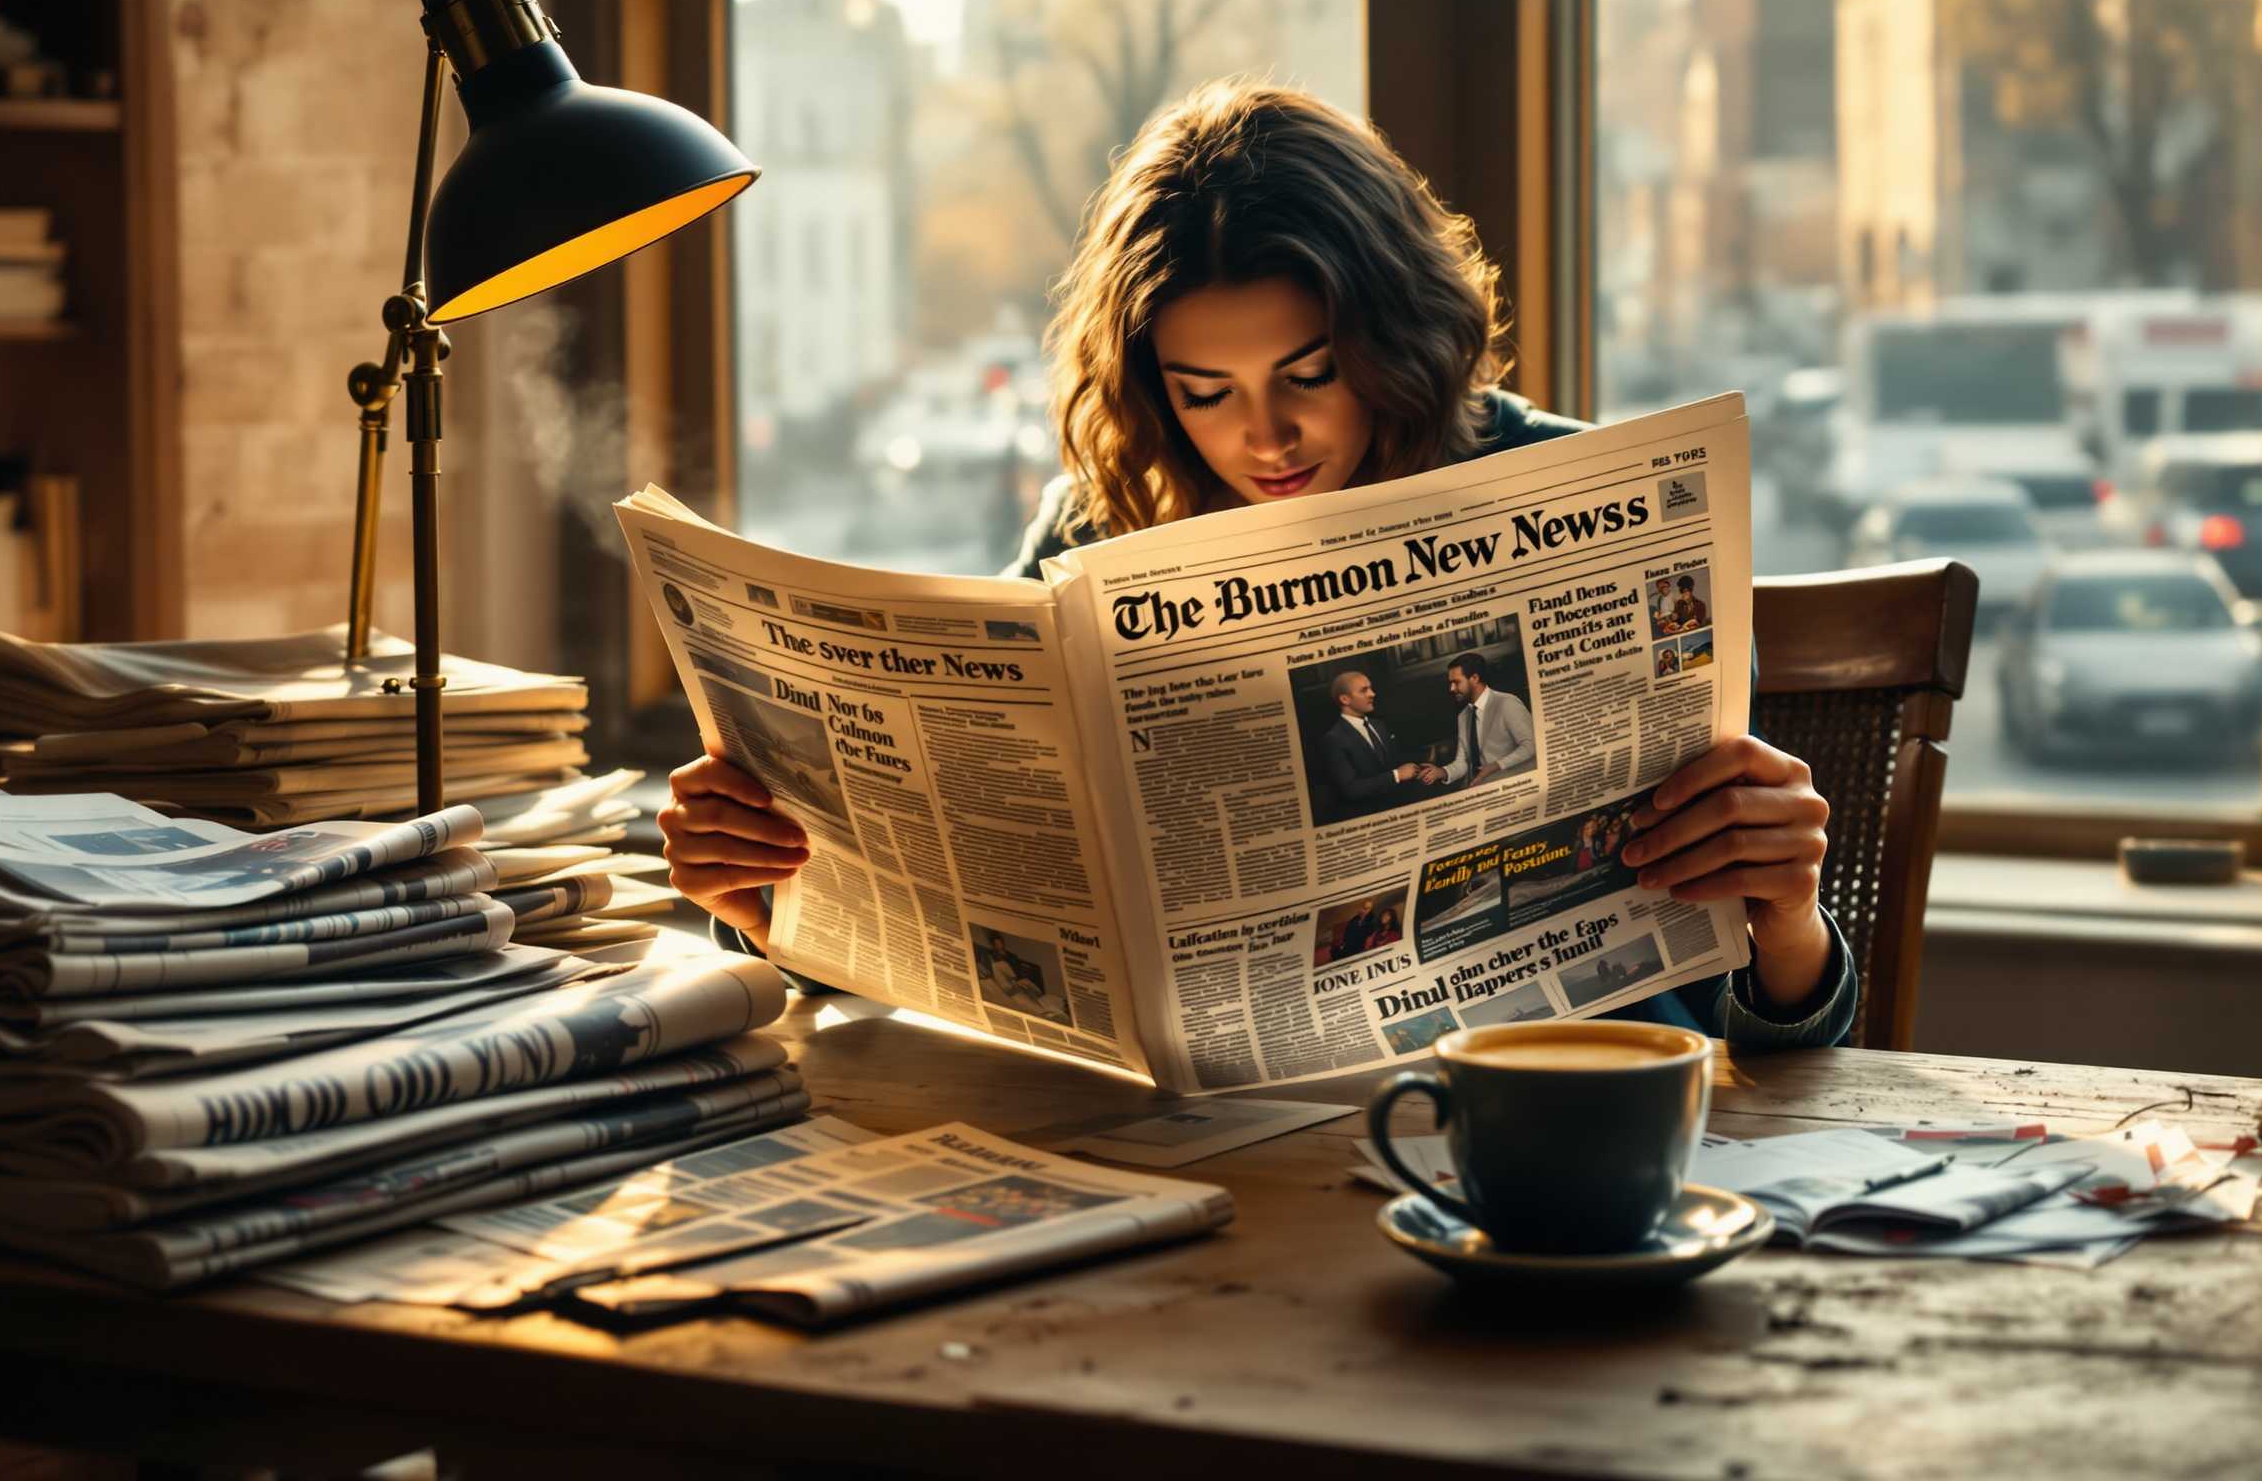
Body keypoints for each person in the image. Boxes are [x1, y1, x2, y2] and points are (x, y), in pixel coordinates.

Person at [665, 80, 1853, 1054]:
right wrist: (765, 896)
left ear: (1397, 339)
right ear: (1149, 391)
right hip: (1203, 1160)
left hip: (1563, 1125)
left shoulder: (1601, 508)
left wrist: (1790, 917)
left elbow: (1796, 1056)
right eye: (1204, 394)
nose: (1266, 437)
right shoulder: (1093, 537)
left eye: (1308, 372)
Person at [1416, 651, 1535, 791]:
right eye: (1450, 683)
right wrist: (1440, 772)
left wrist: (1495, 766)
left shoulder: (1507, 703)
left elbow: (1531, 745)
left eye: (1456, 682)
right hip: (1478, 790)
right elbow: (1462, 762)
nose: (1451, 688)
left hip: (1512, 788)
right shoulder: (1463, 716)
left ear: (1474, 678)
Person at [1317, 670, 1424, 820]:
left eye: (1371, 688)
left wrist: (1421, 766)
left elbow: (1392, 760)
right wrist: (1397, 775)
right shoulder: (1334, 739)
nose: (1372, 694)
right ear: (1345, 699)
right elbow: (1350, 789)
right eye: (1364, 690)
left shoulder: (1379, 725)